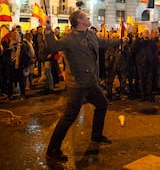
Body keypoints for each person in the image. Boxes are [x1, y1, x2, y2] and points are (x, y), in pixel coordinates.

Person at [45, 11, 125, 161]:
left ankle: (96, 136)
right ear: (79, 21)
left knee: (102, 104)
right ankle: (53, 149)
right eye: (86, 17)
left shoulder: (90, 35)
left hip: (91, 82)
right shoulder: (69, 39)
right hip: (77, 85)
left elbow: (103, 43)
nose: (89, 18)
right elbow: (53, 46)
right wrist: (48, 30)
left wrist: (120, 40)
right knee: (69, 116)